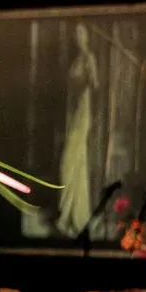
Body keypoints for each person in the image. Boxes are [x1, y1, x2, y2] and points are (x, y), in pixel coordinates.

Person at [56, 23, 99, 238]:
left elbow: (95, 85)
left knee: (71, 161)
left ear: (87, 37)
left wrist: (88, 77)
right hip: (72, 116)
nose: (78, 37)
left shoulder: (89, 59)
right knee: (75, 164)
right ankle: (74, 214)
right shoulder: (74, 61)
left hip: (83, 115)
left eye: (81, 33)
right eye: (76, 33)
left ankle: (70, 214)